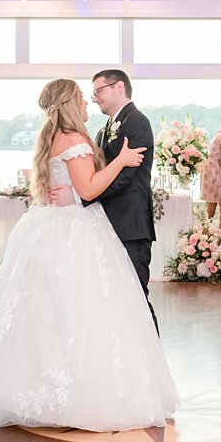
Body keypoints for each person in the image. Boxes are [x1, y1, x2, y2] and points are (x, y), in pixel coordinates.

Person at [0, 78, 175, 432]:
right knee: (81, 310)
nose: (88, 103)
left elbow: (71, 187)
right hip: (75, 230)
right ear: (70, 104)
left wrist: (78, 192)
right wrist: (120, 160)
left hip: (51, 226)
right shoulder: (74, 140)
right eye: (81, 99)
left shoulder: (51, 137)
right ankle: (76, 391)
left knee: (47, 312)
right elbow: (88, 187)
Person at [86, 69, 158, 329]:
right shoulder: (105, 129)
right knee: (116, 298)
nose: (95, 98)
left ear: (119, 88)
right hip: (108, 225)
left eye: (98, 91)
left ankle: (153, 363)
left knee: (136, 297)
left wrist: (86, 195)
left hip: (130, 224)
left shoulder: (137, 122)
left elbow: (127, 176)